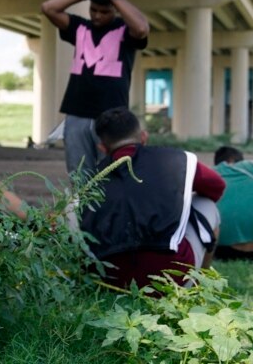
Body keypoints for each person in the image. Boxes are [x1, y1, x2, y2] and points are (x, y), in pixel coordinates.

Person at [79, 107, 225, 289]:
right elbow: (216, 187)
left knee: (72, 208)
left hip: (110, 280)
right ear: (143, 137)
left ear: (102, 147)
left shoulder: (91, 179)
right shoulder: (178, 159)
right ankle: (200, 285)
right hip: (172, 277)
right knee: (207, 204)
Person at [41, 0, 149, 176]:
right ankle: (83, 208)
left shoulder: (125, 31)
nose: (97, 16)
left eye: (104, 11)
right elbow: (48, 8)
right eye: (93, 10)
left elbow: (142, 29)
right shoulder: (80, 28)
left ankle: (109, 208)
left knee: (112, 173)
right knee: (79, 174)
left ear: (115, 9)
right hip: (77, 112)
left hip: (112, 115)